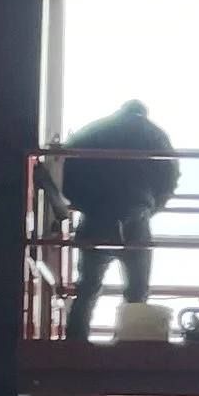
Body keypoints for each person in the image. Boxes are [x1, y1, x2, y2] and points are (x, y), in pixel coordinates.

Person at [59, 96, 180, 343]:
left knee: (88, 286)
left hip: (96, 215)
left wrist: (83, 203)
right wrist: (150, 207)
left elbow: (66, 166)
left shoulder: (95, 130)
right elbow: (170, 177)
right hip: (136, 217)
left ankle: (75, 342)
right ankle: (130, 341)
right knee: (137, 289)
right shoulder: (155, 135)